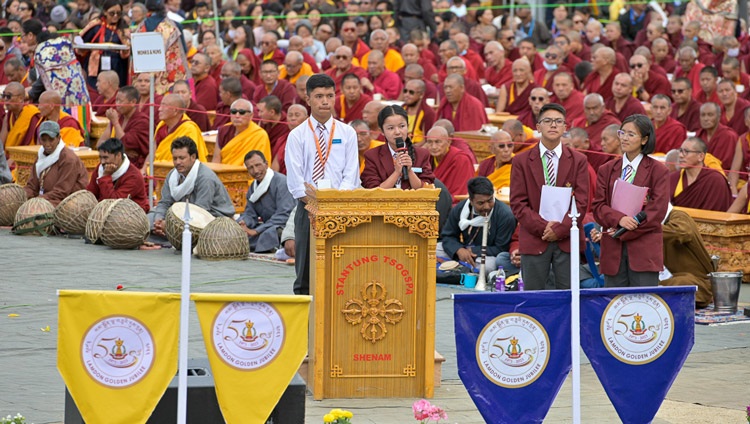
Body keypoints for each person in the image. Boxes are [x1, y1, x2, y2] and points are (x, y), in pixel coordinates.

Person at [285, 74, 360, 295]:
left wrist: (335, 202)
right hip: (308, 208)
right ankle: (306, 323)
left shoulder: (347, 133)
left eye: (329, 95)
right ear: (308, 100)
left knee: (341, 267)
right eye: (319, 96)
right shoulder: (297, 135)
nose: (325, 101)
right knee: (305, 271)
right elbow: (296, 179)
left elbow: (351, 174)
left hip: (339, 207)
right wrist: (314, 202)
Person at [510, 103, 590, 290]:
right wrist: (544, 227)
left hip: (567, 237)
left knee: (568, 298)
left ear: (565, 127)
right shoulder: (522, 160)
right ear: (538, 127)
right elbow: (518, 203)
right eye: (547, 121)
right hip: (535, 236)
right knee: (534, 298)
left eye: (558, 121)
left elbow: (582, 201)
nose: (553, 125)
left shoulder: (578, 160)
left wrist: (560, 229)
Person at [592, 114, 670, 287]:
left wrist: (628, 227)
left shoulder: (658, 171)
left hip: (643, 248)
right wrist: (619, 219)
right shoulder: (607, 169)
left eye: (631, 134)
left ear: (644, 139)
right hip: (613, 248)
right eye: (622, 133)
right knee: (615, 304)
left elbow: (656, 211)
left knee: (642, 304)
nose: (624, 138)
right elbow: (598, 206)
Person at [150, 136, 234, 235]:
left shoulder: (205, 178)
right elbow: (164, 202)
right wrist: (159, 220)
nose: (177, 162)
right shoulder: (172, 175)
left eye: (182, 158)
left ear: (193, 157)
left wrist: (168, 225)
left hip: (212, 219)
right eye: (175, 158)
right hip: (183, 217)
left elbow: (200, 212)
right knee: (149, 219)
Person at [437, 176, 518, 278]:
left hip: (487, 256)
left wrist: (473, 251)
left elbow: (501, 248)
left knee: (487, 266)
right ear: (471, 200)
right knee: (435, 249)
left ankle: (454, 270)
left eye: (490, 200)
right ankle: (462, 269)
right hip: (463, 250)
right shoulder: (460, 209)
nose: (487, 207)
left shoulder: (505, 215)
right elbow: (448, 236)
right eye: (481, 203)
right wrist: (458, 250)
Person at [361, 105, 434, 189]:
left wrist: (409, 171)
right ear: (382, 131)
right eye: (391, 128)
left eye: (402, 126)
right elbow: (373, 191)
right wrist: (396, 172)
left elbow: (426, 189)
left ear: (408, 126)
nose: (397, 132)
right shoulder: (372, 156)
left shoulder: (422, 154)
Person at [238, 150, 295, 252]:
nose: (255, 171)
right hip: (267, 226)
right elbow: (250, 213)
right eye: (250, 168)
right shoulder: (253, 187)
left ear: (266, 164)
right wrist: (243, 223)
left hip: (284, 226)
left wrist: (256, 231)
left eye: (258, 165)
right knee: (241, 235)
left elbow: (284, 215)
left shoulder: (281, 182)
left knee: (267, 235)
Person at [660, 206, 714, 308]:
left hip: (697, 281)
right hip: (662, 278)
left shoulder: (679, 216)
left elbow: (683, 232)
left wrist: (649, 229)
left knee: (681, 283)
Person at [23, 121, 88, 206]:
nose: (47, 144)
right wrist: (23, 196)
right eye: (44, 140)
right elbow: (32, 186)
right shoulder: (41, 155)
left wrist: (38, 201)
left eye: (51, 140)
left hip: (67, 203)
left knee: (35, 211)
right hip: (44, 199)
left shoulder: (68, 159)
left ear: (58, 138)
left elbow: (61, 192)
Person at [134, 0, 189, 95]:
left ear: (147, 9)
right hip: (169, 79)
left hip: (144, 76)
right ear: (164, 7)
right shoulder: (174, 26)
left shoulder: (139, 28)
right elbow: (184, 50)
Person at [87, 138, 149, 213]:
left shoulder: (133, 176)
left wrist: (105, 177)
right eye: (101, 157)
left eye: (105, 158)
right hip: (103, 211)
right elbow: (91, 194)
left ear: (118, 156)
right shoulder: (101, 168)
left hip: (131, 215)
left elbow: (113, 204)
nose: (102, 162)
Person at [669, 137, 732, 211]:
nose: (681, 155)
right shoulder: (672, 178)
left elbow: (717, 213)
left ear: (701, 156)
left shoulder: (715, 180)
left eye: (686, 151)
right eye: (680, 151)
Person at [78, 0, 130, 88]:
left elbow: (127, 48)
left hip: (116, 64)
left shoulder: (124, 28)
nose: (115, 16)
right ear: (105, 12)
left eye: (119, 13)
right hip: (95, 64)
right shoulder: (95, 25)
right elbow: (80, 41)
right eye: (112, 13)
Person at [97, 86, 150, 169]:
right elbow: (99, 144)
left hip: (133, 167)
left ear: (133, 102)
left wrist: (115, 122)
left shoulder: (142, 121)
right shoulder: (118, 118)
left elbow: (126, 144)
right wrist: (122, 151)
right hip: (112, 164)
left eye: (120, 101)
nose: (117, 104)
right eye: (116, 100)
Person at [422, 126, 474, 204]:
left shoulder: (461, 159)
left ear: (448, 142)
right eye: (429, 142)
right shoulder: (427, 158)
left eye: (438, 142)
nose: (433, 147)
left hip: (450, 205)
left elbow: (461, 192)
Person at [214, 98, 270, 168]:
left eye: (242, 112)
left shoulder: (259, 135)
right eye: (234, 112)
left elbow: (260, 165)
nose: (237, 116)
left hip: (247, 175)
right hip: (223, 174)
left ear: (251, 115)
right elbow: (216, 159)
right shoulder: (223, 130)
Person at [152, 94, 207, 164]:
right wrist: (145, 169)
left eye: (164, 106)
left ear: (175, 111)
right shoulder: (161, 125)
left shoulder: (189, 129)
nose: (159, 109)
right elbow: (152, 153)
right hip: (156, 168)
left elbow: (190, 160)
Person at [580, 93, 620, 171]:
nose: (591, 112)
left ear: (603, 107)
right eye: (588, 108)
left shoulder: (612, 123)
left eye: (595, 108)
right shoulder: (578, 122)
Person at [697, 102, 738, 171]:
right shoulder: (698, 135)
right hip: (700, 174)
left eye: (710, 115)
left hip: (722, 176)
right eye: (703, 115)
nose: (706, 119)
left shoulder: (729, 136)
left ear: (719, 116)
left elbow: (729, 166)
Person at [0, 82, 40, 148]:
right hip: (9, 156)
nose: (5, 99)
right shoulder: (8, 116)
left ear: (21, 98)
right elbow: (1, 143)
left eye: (9, 96)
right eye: (4, 96)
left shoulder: (32, 115)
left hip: (28, 155)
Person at [256, 95, 290, 168]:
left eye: (261, 111)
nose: (259, 115)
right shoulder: (263, 123)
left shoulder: (287, 126)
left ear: (272, 112)